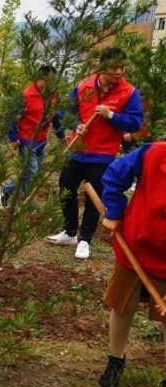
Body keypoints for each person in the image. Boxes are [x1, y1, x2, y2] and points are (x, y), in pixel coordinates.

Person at [47, 48, 144, 260]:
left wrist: (111, 115)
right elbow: (66, 112)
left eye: (122, 67)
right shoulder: (83, 87)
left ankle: (84, 240)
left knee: (94, 196)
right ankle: (70, 231)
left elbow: (136, 121)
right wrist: (77, 124)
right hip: (77, 149)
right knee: (66, 187)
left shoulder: (129, 92)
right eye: (114, 68)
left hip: (103, 154)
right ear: (101, 68)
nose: (119, 72)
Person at [97, 141, 166, 387]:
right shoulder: (153, 153)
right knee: (122, 303)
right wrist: (114, 211)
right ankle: (115, 361)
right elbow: (115, 174)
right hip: (135, 244)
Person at [0, 65, 64, 208]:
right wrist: (13, 137)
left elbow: (56, 117)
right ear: (39, 79)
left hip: (41, 140)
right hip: (26, 139)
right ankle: (28, 203)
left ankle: (6, 190)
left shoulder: (53, 96)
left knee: (32, 173)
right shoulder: (26, 95)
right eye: (47, 81)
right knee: (31, 172)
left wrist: (61, 136)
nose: (49, 85)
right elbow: (11, 116)